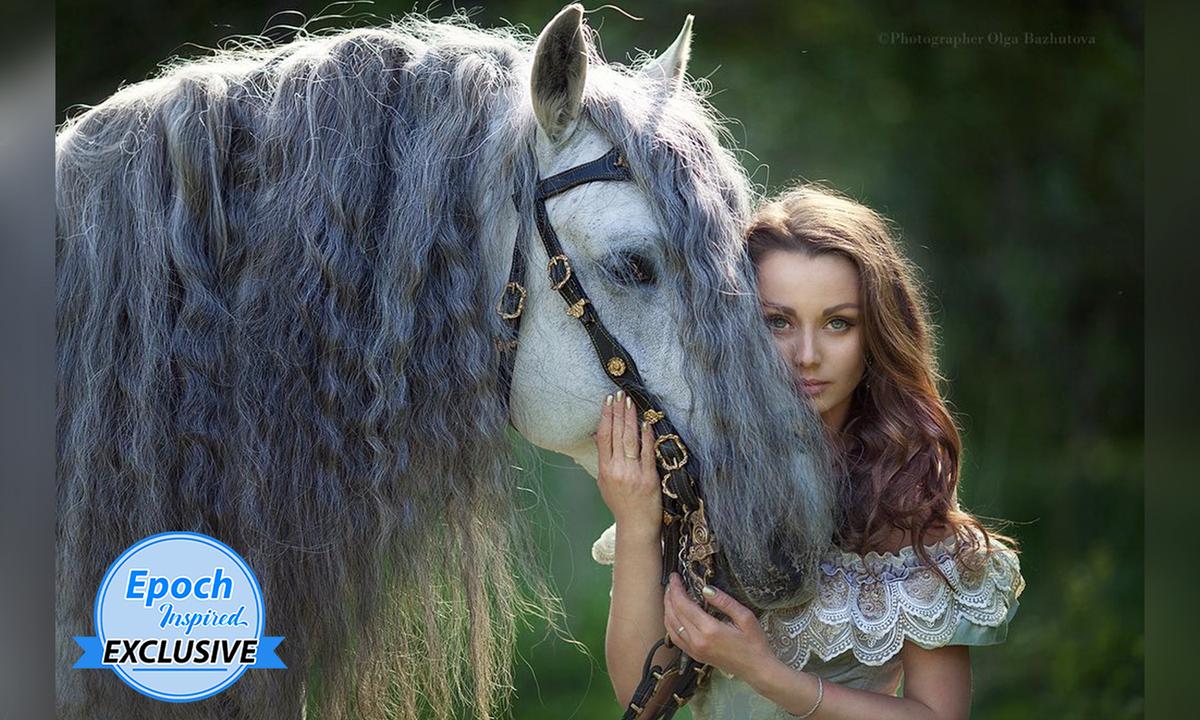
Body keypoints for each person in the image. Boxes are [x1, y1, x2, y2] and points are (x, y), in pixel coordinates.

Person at [591, 184, 1025, 719]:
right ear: (739, 328)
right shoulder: (694, 473)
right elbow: (642, 696)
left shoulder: (901, 494)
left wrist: (766, 674)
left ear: (876, 338)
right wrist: (637, 524)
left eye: (838, 323)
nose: (807, 356)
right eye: (779, 322)